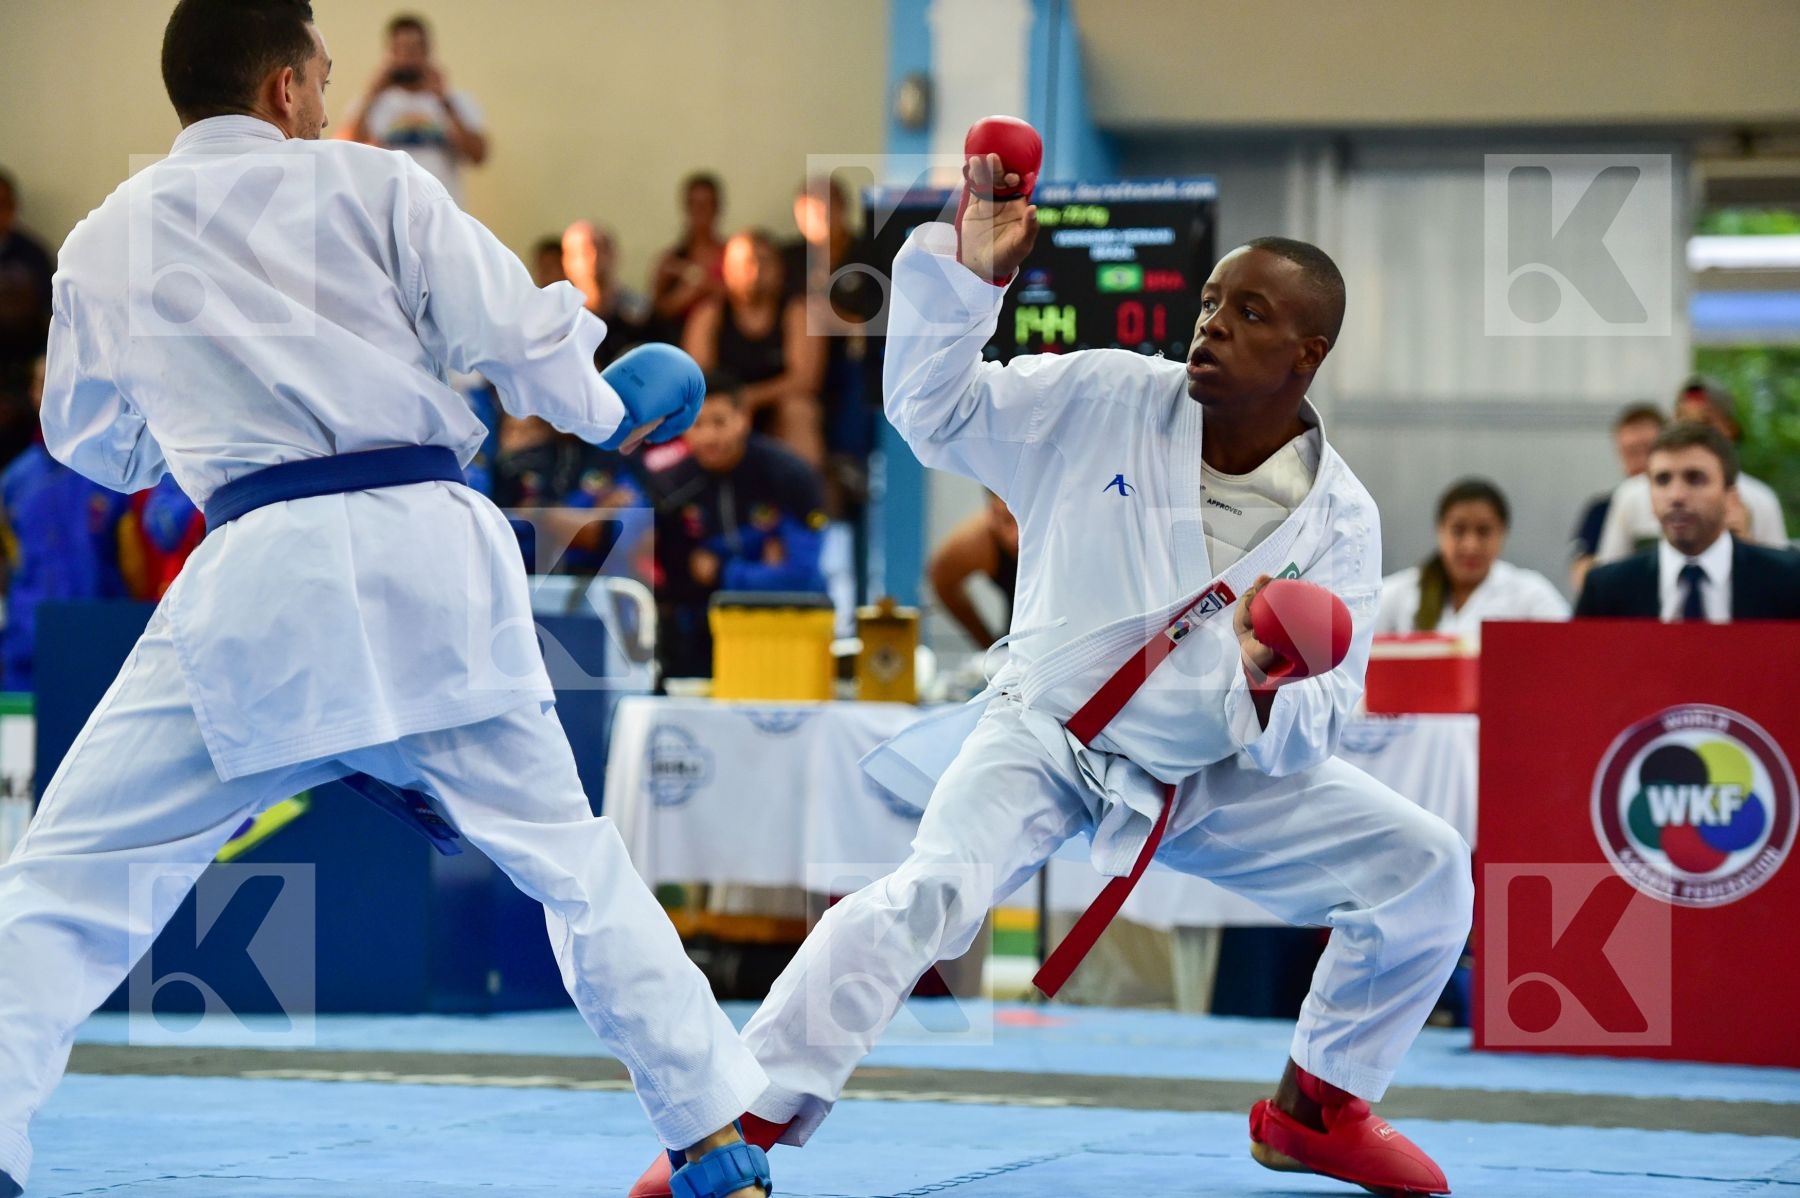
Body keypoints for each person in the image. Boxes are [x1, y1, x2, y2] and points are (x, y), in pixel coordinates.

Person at [0, 6, 771, 1198]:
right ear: (280, 91)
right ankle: (717, 1140)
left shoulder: (105, 241)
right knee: (575, 865)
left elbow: (89, 441)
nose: (323, 95)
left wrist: (206, 422)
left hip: (259, 577)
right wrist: (618, 412)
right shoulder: (377, 188)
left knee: (66, 881)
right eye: (317, 75)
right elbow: (521, 345)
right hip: (430, 563)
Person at [633, 151, 1469, 1198]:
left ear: (1308, 353)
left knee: (1427, 868)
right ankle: (734, 1125)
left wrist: (1269, 680)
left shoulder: (1339, 517)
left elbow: (1325, 722)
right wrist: (970, 281)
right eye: (1212, 301)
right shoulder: (1107, 393)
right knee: (920, 896)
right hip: (1048, 734)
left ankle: (1320, 1106)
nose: (1211, 322)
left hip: (1209, 764)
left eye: (1249, 313)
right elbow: (934, 412)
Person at [646, 375, 828, 680]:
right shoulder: (670, 488)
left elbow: (801, 576)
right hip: (703, 638)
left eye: (719, 422)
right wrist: (761, 552)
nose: (708, 437)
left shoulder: (789, 475)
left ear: (743, 418)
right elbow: (678, 580)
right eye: (698, 424)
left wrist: (722, 570)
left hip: (788, 631)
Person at [0, 357, 134, 690]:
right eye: (40, 382)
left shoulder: (115, 468)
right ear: (32, 392)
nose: (48, 390)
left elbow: (136, 561)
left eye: (58, 378)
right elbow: (8, 563)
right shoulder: (14, 481)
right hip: (25, 649)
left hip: (101, 637)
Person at [1575, 422, 1800, 620]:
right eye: (1662, 480)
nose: (1676, 496)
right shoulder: (1605, 590)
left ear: (1730, 498)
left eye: (1695, 479)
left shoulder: (1790, 580)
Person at [1594, 378, 1787, 563]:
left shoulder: (1760, 500)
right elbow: (1610, 574)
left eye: (1705, 422)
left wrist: (1742, 544)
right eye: (1683, 419)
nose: (1677, 495)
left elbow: (1781, 577)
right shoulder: (1632, 494)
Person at [684, 229, 825, 466]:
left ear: (780, 269)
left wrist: (751, 398)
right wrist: (733, 406)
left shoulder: (797, 311)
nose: (756, 270)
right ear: (727, 270)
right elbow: (696, 380)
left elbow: (805, 380)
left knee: (799, 410)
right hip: (724, 408)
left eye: (764, 261)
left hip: (777, 409)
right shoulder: (709, 315)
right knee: (703, 416)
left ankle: (806, 497)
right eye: (746, 262)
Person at [1375, 478, 1568, 642]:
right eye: (1458, 530)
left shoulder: (1531, 596)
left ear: (1502, 534)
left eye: (1483, 531)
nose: (1471, 546)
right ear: (1440, 531)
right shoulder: (1394, 595)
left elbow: (1565, 654)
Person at [336, 12, 488, 205]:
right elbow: (345, 149)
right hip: (389, 212)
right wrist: (371, 96)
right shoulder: (372, 104)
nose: (408, 57)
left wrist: (445, 101)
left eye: (415, 49)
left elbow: (478, 156)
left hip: (443, 212)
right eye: (401, 49)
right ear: (389, 52)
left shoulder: (455, 101)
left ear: (428, 51)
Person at [1570, 403, 1664, 592]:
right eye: (1630, 452)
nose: (1639, 460)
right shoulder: (1601, 509)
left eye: (1646, 450)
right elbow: (1581, 573)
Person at [927, 490, 1018, 649]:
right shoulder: (978, 542)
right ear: (992, 513)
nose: (1015, 537)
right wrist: (987, 644)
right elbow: (941, 578)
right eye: (1006, 520)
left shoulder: (1067, 533)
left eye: (1022, 522)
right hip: (1015, 638)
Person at [648, 172, 726, 342]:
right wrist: (681, 297)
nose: (701, 212)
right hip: (677, 340)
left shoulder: (731, 255)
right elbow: (656, 311)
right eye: (695, 205)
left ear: (717, 208)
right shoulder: (670, 260)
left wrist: (705, 285)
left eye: (707, 204)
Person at [563, 219, 649, 369]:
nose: (594, 257)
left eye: (600, 248)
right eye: (583, 252)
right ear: (566, 262)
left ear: (615, 253)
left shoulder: (641, 315)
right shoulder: (559, 321)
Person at [0, 170, 54, 398]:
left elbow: (52, 317)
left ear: (13, 208)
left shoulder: (34, 256)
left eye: (3, 204)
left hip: (20, 370)